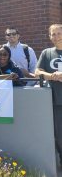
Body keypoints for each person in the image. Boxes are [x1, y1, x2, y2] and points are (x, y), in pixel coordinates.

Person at [35, 24, 62, 167]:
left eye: (59, 33)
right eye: (53, 34)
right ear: (50, 36)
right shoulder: (47, 53)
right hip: (55, 100)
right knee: (59, 135)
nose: (56, 36)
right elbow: (37, 72)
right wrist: (51, 76)